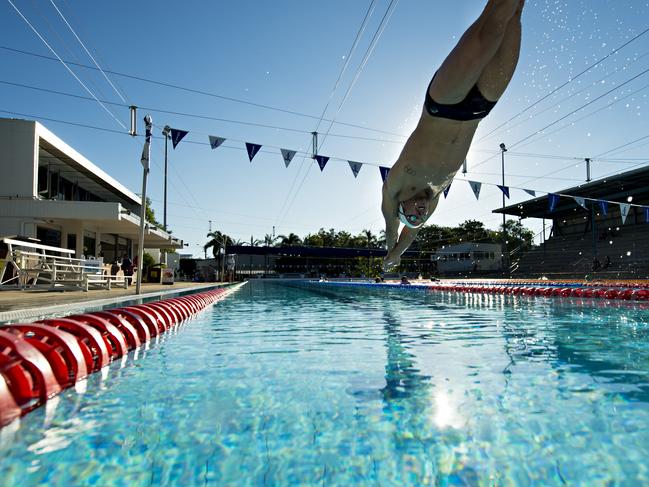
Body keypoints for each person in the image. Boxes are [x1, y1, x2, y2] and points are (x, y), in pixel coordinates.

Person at [382, 0, 525, 270]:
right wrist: (404, 248)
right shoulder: (433, 198)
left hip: (443, 103)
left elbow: (395, 229)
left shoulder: (394, 188)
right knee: (514, 18)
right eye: (419, 219)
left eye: (412, 216)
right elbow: (414, 230)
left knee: (492, 27)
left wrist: (393, 251)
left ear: (402, 208)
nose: (420, 215)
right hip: (479, 109)